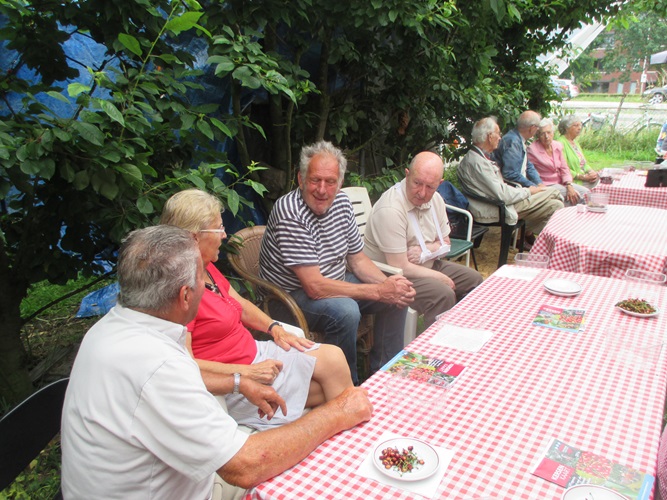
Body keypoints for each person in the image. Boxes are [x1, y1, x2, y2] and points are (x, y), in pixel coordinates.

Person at [61, 225, 372, 499]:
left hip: (151, 480)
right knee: (307, 470)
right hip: (194, 487)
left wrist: (236, 382)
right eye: (202, 276)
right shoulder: (157, 365)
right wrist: (336, 414)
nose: (208, 283)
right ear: (185, 296)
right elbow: (247, 466)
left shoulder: (111, 328)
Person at [161, 189, 353, 431]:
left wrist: (274, 328)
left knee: (334, 361)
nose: (224, 235)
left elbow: (239, 304)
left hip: (255, 355)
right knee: (334, 388)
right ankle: (342, 442)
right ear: (193, 237)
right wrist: (245, 373)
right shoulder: (181, 290)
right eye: (218, 228)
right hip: (234, 381)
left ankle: (341, 438)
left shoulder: (206, 267)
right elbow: (185, 364)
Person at [259, 140, 416, 384]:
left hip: (333, 282)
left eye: (330, 181)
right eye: (315, 180)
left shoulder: (341, 203)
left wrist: (389, 287)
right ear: (301, 180)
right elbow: (314, 286)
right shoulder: (290, 212)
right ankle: (343, 388)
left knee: (397, 296)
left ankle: (384, 376)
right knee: (345, 311)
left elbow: (358, 260)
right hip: (288, 297)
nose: (322, 189)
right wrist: (377, 291)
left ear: (339, 183)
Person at [363, 151, 483, 328]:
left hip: (426, 264)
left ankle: (462, 331)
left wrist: (426, 250)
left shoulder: (436, 200)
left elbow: (445, 243)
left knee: (475, 280)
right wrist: (439, 275)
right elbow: (400, 266)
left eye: (430, 187)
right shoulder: (391, 209)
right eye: (417, 183)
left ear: (439, 184)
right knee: (443, 294)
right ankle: (431, 349)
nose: (422, 193)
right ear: (407, 174)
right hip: (392, 275)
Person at [457, 116, 564, 236]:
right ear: (490, 136)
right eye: (498, 133)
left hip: (500, 202)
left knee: (557, 205)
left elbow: (500, 189)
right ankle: (522, 234)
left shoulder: (478, 157)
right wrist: (529, 191)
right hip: (496, 208)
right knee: (553, 192)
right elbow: (503, 194)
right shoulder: (477, 162)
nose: (500, 137)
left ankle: (525, 236)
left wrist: (528, 190)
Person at [527, 118, 590, 206]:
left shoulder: (557, 145)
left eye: (549, 132)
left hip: (562, 182)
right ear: (538, 135)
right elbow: (529, 172)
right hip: (547, 185)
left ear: (553, 133)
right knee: (574, 196)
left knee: (586, 193)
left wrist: (569, 184)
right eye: (542, 133)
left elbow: (564, 168)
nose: (546, 136)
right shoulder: (532, 150)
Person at [492, 110, 545, 188]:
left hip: (522, 189)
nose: (538, 130)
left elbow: (528, 165)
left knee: (552, 194)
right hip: (515, 191)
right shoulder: (513, 142)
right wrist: (534, 187)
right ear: (532, 128)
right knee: (554, 195)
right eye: (537, 127)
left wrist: (539, 183)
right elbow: (510, 174)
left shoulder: (519, 139)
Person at [556, 115, 600, 188]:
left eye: (580, 125)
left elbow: (583, 163)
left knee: (602, 180)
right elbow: (562, 169)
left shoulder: (575, 142)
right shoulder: (560, 143)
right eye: (576, 125)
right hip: (572, 182)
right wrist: (582, 177)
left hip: (583, 178)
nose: (579, 128)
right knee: (599, 188)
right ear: (567, 128)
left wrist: (591, 171)